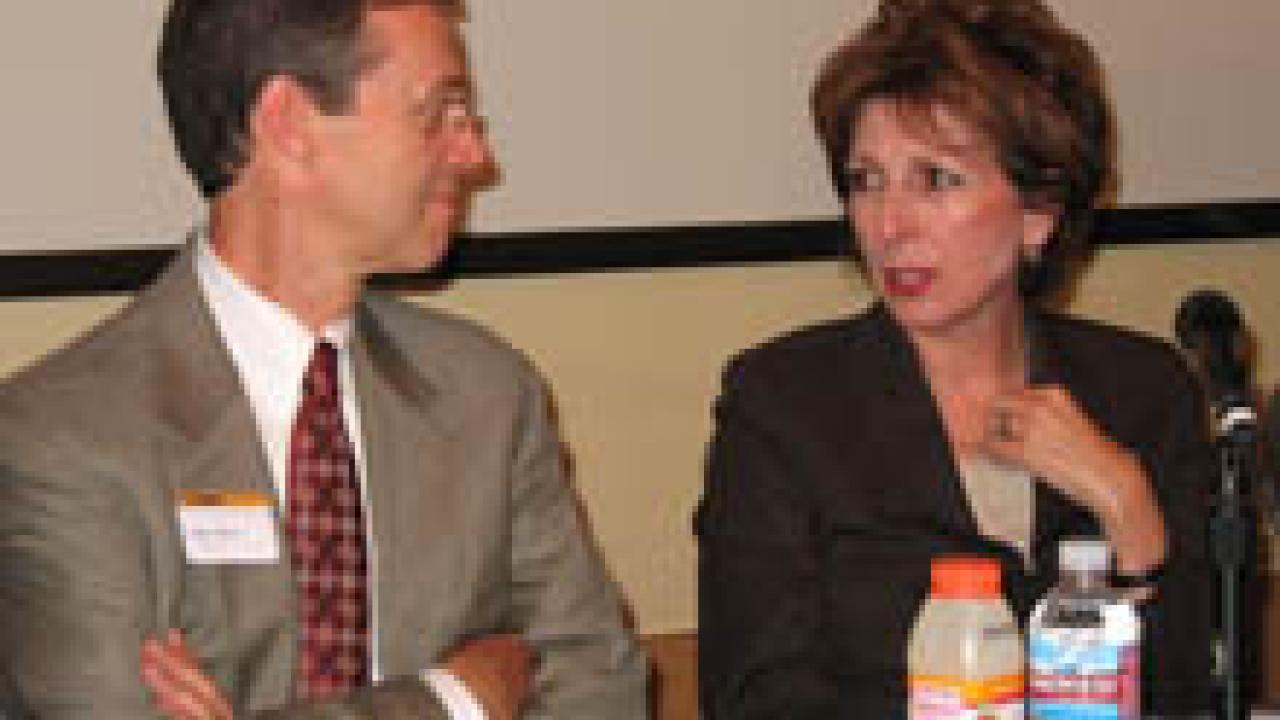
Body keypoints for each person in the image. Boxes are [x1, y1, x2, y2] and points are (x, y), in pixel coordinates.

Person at [0, 0, 648, 717]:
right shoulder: (64, 436)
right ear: (289, 123)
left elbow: (601, 687)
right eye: (439, 114)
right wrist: (455, 699)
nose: (474, 156)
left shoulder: (489, 395)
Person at [696, 0, 1214, 716]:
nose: (889, 224)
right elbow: (756, 694)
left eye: (936, 180)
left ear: (1039, 210)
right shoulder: (783, 404)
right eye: (865, 181)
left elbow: (1203, 690)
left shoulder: (1145, 393)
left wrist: (1130, 509)